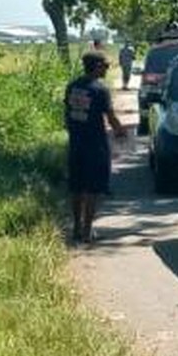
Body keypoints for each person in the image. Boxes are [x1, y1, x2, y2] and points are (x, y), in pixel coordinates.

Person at [64, 50, 126, 244]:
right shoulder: (100, 90)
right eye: (105, 66)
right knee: (93, 189)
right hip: (95, 145)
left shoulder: (72, 86)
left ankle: (76, 228)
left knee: (77, 187)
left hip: (75, 144)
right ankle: (87, 231)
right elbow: (110, 116)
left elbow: (67, 114)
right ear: (97, 66)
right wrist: (121, 132)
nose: (107, 69)